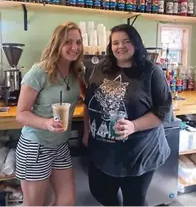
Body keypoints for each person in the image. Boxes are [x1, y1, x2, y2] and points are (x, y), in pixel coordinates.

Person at [82, 24, 172, 206]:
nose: (120, 46)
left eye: (126, 41)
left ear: (136, 44)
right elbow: (88, 102)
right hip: (103, 151)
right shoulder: (101, 68)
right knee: (100, 192)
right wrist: (86, 132)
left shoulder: (151, 72)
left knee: (134, 201)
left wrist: (134, 126)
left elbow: (162, 111)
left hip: (139, 153)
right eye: (115, 42)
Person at [16, 21, 84, 206]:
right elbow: (21, 114)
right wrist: (46, 123)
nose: (74, 47)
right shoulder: (40, 71)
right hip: (36, 146)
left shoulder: (77, 71)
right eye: (68, 42)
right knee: (35, 204)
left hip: (60, 145)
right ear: (57, 43)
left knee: (66, 202)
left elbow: (87, 96)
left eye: (78, 42)